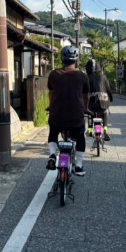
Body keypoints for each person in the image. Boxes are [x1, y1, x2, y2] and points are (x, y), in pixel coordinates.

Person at [46, 46, 89, 176]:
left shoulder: (53, 74)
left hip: (57, 115)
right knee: (80, 136)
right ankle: (79, 166)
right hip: (76, 116)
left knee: (53, 132)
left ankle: (52, 155)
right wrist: (86, 108)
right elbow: (86, 96)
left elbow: (51, 93)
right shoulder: (82, 76)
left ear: (62, 59)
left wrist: (50, 106)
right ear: (76, 59)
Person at [86, 59, 113, 141]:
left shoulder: (87, 78)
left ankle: (90, 130)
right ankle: (105, 131)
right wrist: (111, 98)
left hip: (91, 103)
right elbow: (108, 90)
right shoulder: (103, 77)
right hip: (103, 103)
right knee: (105, 113)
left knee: (90, 115)